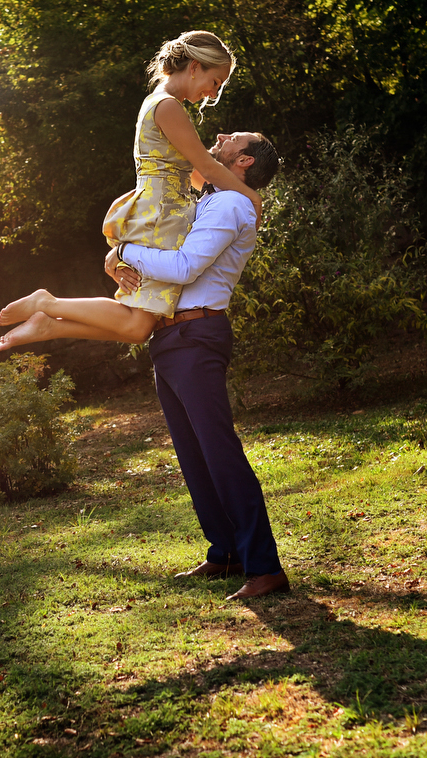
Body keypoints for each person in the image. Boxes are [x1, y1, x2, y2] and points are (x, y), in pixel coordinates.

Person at [106, 130, 288, 600]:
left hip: (196, 335)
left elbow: (185, 267)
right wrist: (119, 255)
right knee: (192, 452)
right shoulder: (206, 200)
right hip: (169, 336)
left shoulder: (231, 206)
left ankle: (265, 567)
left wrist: (125, 254)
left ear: (243, 160)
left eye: (233, 139)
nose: (221, 135)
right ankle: (225, 551)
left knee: (218, 450)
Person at [0, 31, 262, 350]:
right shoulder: (168, 107)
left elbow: (193, 173)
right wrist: (252, 198)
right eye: (216, 81)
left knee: (137, 328)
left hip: (160, 212)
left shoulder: (160, 103)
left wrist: (223, 204)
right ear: (194, 67)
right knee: (137, 324)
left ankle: (49, 323)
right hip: (162, 216)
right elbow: (206, 167)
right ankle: (48, 306)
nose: (213, 93)